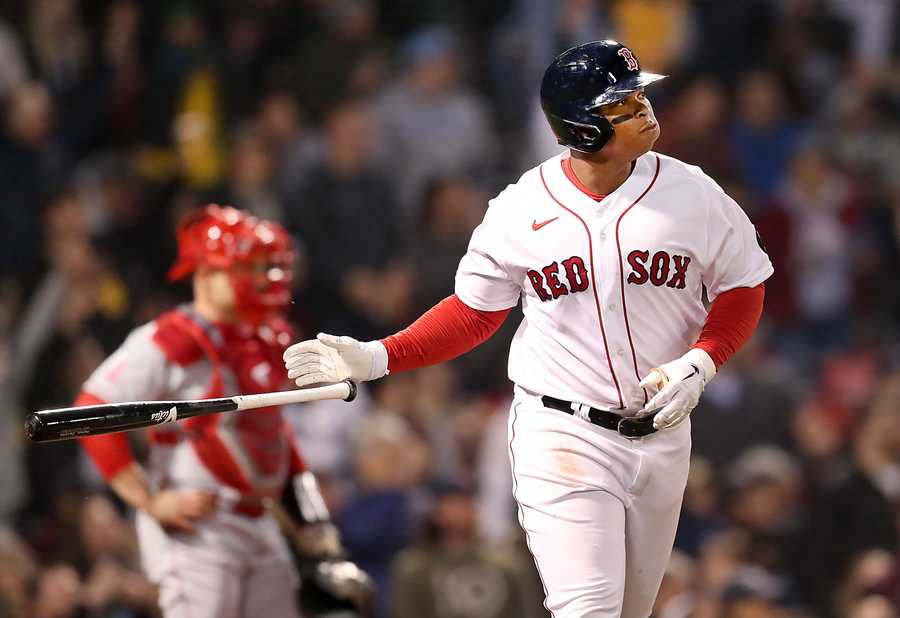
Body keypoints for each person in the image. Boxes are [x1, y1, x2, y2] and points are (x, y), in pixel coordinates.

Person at [285, 40, 773, 617]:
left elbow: (745, 285)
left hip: (664, 433)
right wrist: (377, 357)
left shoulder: (693, 192)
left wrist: (702, 360)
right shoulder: (521, 208)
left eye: (640, 92)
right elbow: (474, 313)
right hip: (563, 430)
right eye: (622, 101)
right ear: (583, 126)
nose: (643, 106)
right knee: (587, 609)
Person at [77, 205, 345, 617]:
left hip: (261, 521)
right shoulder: (172, 337)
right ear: (206, 273)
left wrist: (313, 520)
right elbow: (92, 407)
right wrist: (147, 501)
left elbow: (276, 434)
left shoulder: (266, 337)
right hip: (200, 524)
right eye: (247, 268)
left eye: (266, 268)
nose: (263, 280)